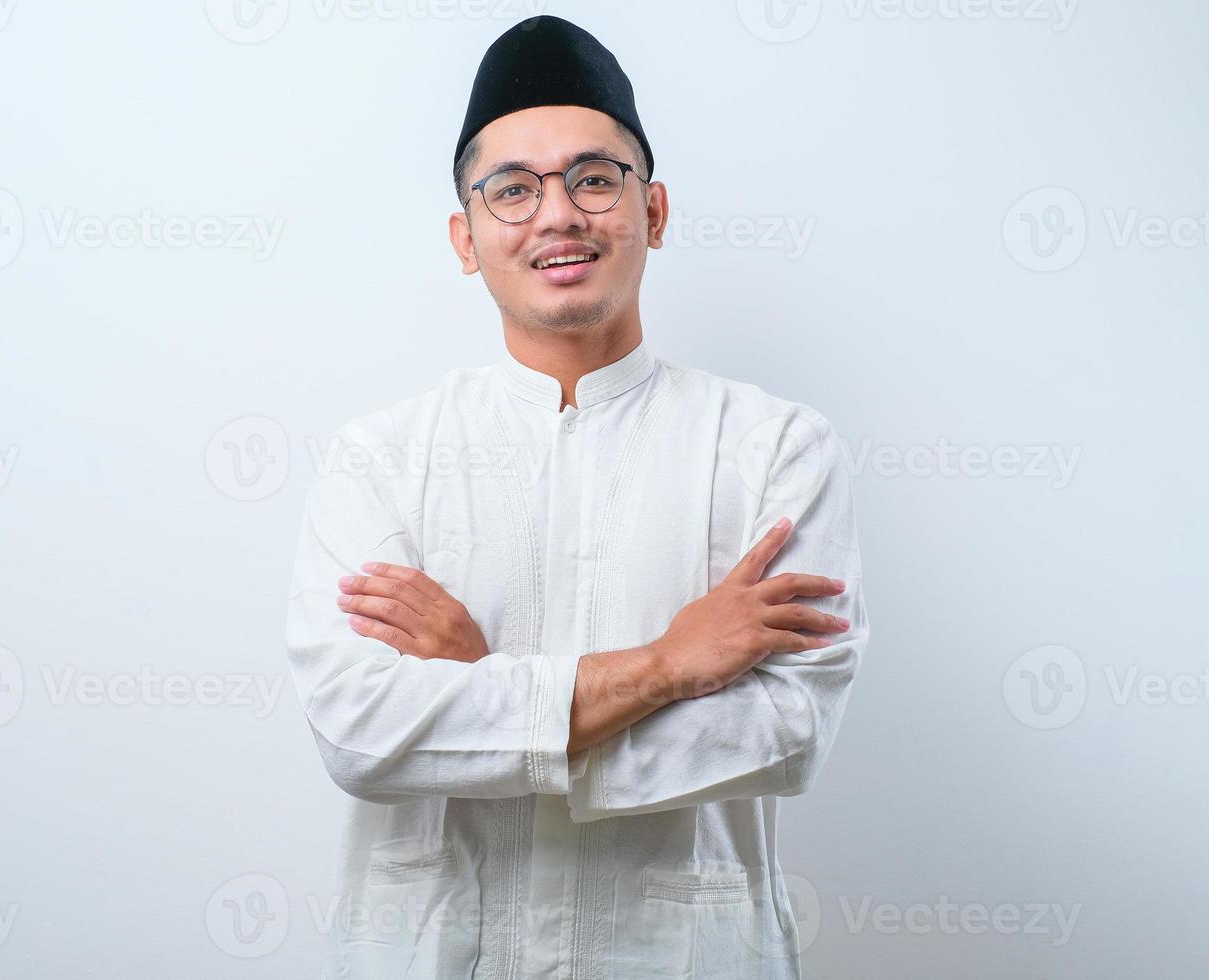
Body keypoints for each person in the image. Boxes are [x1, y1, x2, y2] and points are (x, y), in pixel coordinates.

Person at [284, 15, 868, 979]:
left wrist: (484, 684)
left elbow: (786, 736)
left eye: (594, 179)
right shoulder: (379, 460)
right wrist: (669, 665)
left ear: (656, 211)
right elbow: (362, 735)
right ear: (465, 238)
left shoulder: (774, 450)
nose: (558, 214)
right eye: (512, 190)